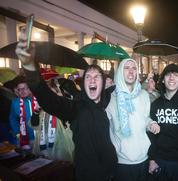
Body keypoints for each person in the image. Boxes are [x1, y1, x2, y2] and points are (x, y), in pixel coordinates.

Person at [15, 29, 117, 181]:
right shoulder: (76, 108)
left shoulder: (105, 103)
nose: (93, 80)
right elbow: (48, 99)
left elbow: (116, 88)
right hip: (88, 176)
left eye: (97, 77)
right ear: (83, 84)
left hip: (110, 173)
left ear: (103, 84)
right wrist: (30, 67)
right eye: (88, 77)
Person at [106, 58, 159, 181]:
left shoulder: (144, 95)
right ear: (120, 72)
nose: (131, 71)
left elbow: (145, 118)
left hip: (143, 158)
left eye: (134, 68)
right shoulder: (110, 98)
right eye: (126, 68)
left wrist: (151, 123)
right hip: (121, 161)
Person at [9, 76, 38, 149]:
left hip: (42, 138)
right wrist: (17, 134)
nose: (22, 91)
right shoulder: (15, 103)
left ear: (30, 88)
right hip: (26, 140)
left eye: (24, 88)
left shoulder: (39, 100)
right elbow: (12, 119)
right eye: (19, 89)